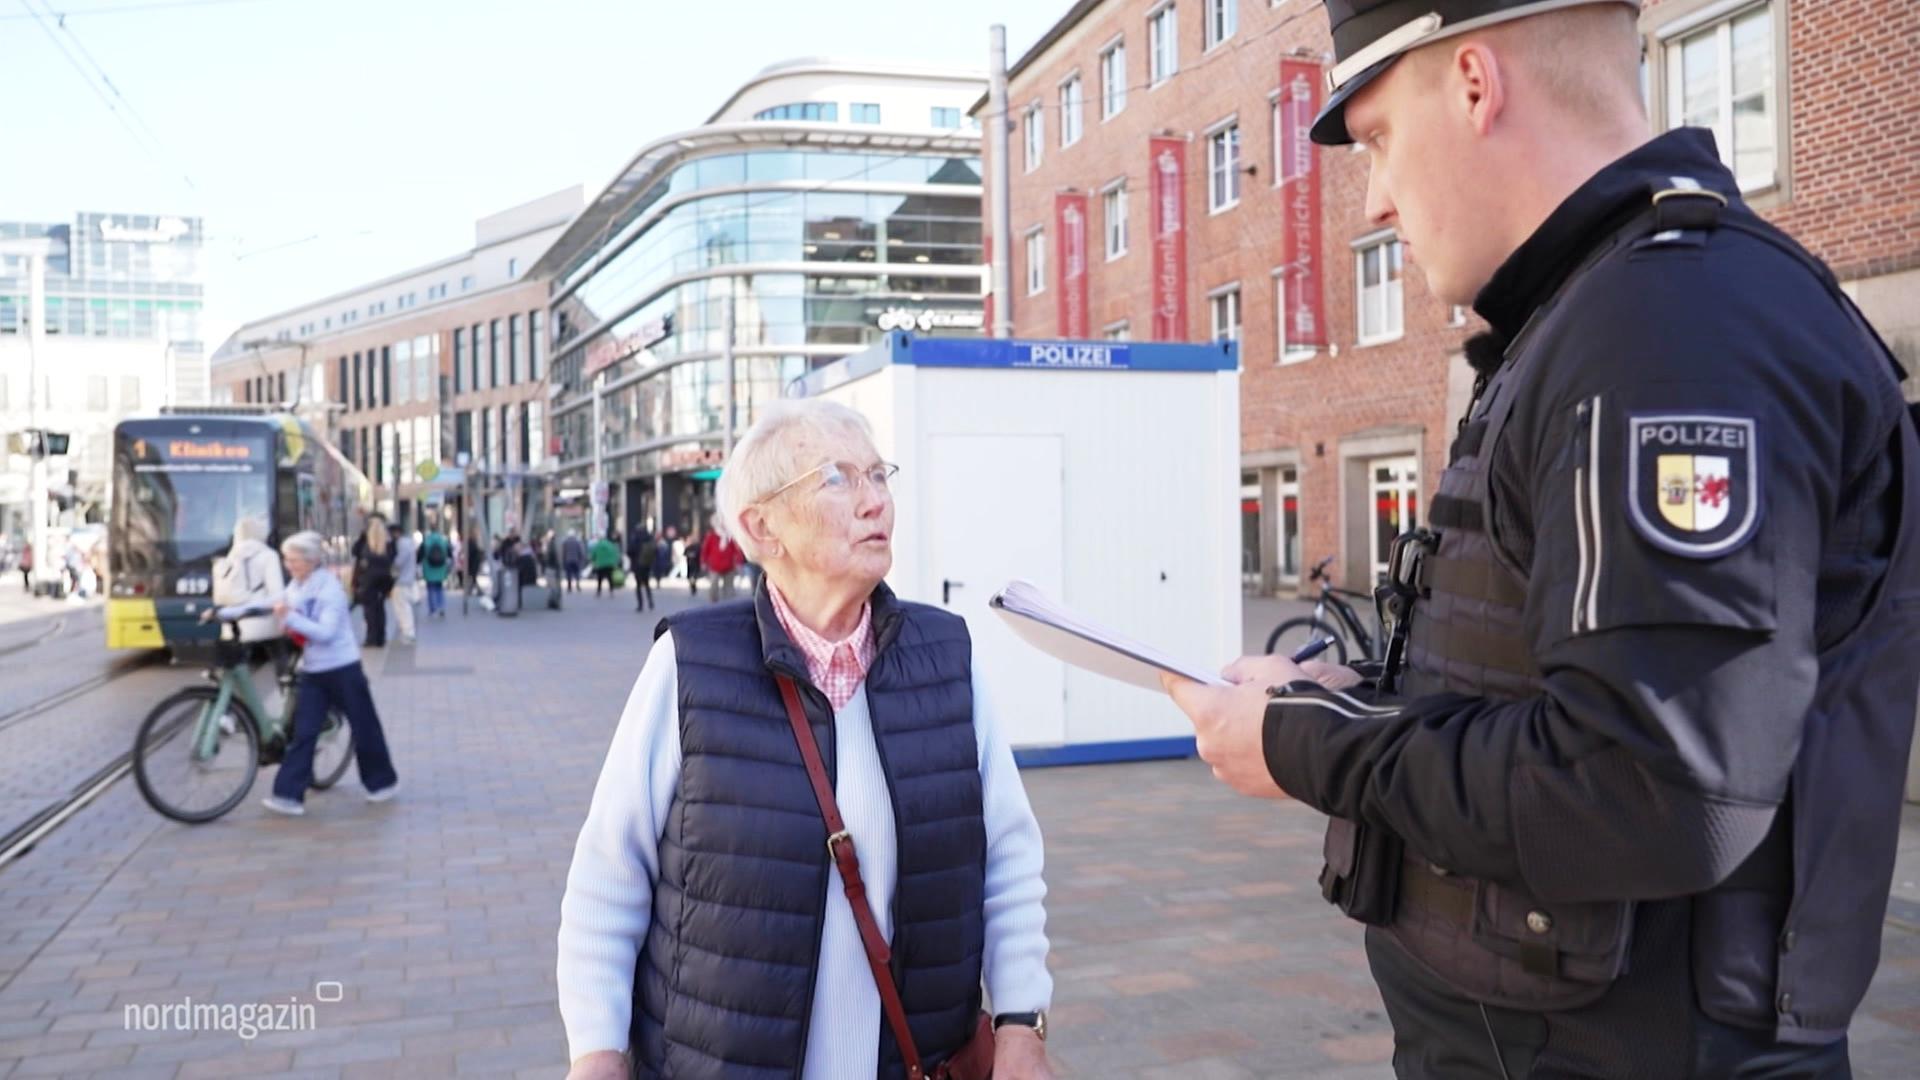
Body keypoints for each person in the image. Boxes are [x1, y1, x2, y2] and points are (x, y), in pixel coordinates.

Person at [1159, 4, 1920, 1077]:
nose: (1374, 201)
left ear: (1475, 83)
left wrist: (1302, 748)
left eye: (1377, 139)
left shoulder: (1676, 331)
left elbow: (1654, 788)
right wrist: (1335, 701)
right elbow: (1551, 694)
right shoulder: (1598, 312)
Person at [557, 399, 1054, 1080]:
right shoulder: (691, 664)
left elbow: (1008, 858)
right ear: (763, 528)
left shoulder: (946, 658)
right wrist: (597, 1051)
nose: (876, 501)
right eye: (839, 479)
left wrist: (1022, 1023)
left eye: (880, 476)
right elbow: (609, 877)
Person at [260, 530, 401, 816]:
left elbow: (325, 632)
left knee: (364, 727)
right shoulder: (297, 586)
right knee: (304, 732)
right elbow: (271, 602)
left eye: (294, 560)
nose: (289, 565)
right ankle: (288, 795)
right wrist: (227, 612)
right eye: (287, 559)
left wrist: (290, 617)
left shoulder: (329, 589)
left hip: (343, 669)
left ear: (311, 560)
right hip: (314, 672)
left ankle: (382, 783)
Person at [353, 517, 395, 648]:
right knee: (380, 608)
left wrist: (362, 536)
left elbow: (355, 551)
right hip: (384, 580)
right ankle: (380, 637)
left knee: (369, 611)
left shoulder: (365, 544)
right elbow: (393, 558)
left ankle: (371, 638)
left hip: (368, 580)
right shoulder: (388, 544)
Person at [390, 525, 419, 645]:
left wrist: (390, 564)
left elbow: (398, 562)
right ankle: (407, 632)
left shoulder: (402, 544)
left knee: (402, 608)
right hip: (407, 579)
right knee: (404, 607)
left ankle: (408, 633)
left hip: (401, 580)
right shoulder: (409, 543)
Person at [419, 523, 452, 619]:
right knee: (440, 588)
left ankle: (432, 609)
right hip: (441, 568)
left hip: (429, 568)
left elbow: (420, 556)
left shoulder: (426, 541)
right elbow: (449, 555)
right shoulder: (444, 541)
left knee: (430, 589)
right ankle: (441, 606)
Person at [626, 523, 655, 613]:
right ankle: (650, 601)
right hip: (647, 564)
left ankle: (640, 604)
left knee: (638, 585)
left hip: (637, 564)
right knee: (647, 583)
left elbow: (630, 551)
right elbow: (655, 550)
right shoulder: (649, 537)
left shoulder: (635, 538)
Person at [587, 531, 620, 597]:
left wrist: (592, 561)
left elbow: (593, 555)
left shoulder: (597, 545)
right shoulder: (610, 544)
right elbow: (615, 553)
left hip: (600, 564)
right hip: (609, 564)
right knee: (610, 578)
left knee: (600, 578)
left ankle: (599, 591)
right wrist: (615, 562)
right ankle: (611, 591)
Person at [650, 526, 673, 593]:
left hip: (660, 560)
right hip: (655, 560)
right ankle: (657, 581)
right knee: (656, 572)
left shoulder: (663, 543)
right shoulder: (653, 542)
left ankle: (658, 581)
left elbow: (665, 552)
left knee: (659, 572)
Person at [682, 528, 703, 597]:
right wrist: (689, 555)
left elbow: (700, 554)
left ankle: (694, 587)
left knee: (694, 577)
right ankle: (692, 587)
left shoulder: (698, 547)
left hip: (696, 564)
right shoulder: (688, 547)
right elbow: (684, 554)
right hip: (689, 564)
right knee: (690, 577)